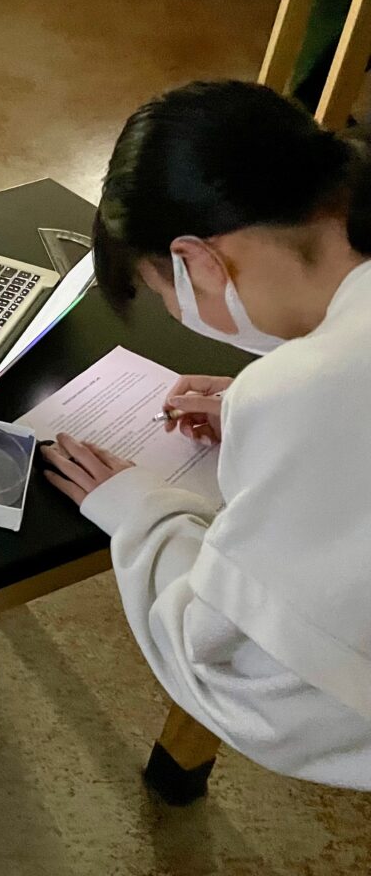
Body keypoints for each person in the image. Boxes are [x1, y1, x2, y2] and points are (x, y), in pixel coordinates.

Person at [41, 80, 371, 790]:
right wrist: (271, 408)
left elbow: (252, 683)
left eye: (168, 299)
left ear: (199, 262)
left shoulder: (308, 390)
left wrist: (142, 513)